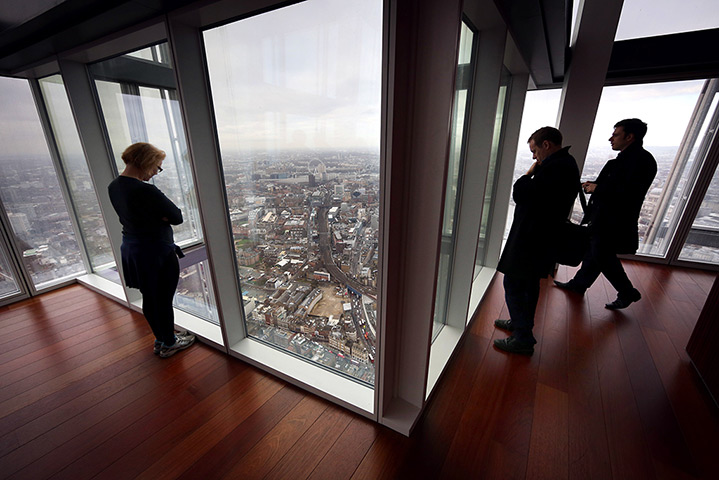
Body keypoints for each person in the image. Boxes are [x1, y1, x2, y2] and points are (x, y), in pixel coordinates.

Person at [554, 118, 657, 309]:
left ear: (630, 136)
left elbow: (627, 192)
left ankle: (627, 291)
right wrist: (595, 186)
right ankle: (579, 284)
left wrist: (597, 188)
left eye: (616, 134)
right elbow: (619, 186)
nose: (611, 139)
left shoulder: (638, 161)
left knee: (602, 254)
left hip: (614, 219)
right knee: (597, 252)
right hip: (611, 218)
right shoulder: (635, 159)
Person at [494, 127, 580, 355]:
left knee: (514, 284)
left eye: (534, 150)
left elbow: (522, 194)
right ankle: (519, 322)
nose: (534, 156)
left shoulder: (555, 168)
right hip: (540, 238)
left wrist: (527, 174)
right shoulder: (566, 164)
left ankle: (522, 337)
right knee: (527, 285)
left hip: (532, 240)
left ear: (546, 145)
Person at [108, 142, 195, 358]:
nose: (157, 172)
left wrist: (157, 216)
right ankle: (170, 343)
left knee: (150, 298)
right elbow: (176, 217)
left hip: (133, 248)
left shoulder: (115, 186)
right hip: (156, 251)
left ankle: (161, 339)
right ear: (145, 163)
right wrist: (161, 217)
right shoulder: (145, 190)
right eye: (157, 166)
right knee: (163, 299)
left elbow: (134, 216)